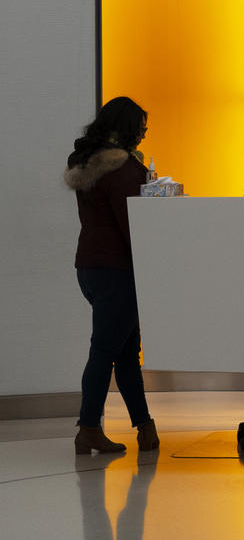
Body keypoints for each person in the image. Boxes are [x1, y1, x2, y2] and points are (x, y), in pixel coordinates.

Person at [64, 96, 159, 454]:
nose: (143, 136)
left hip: (89, 266)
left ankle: (145, 428)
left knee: (123, 349)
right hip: (118, 269)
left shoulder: (88, 162)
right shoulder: (120, 168)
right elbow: (132, 222)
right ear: (128, 128)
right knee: (107, 350)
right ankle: (88, 428)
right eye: (142, 129)